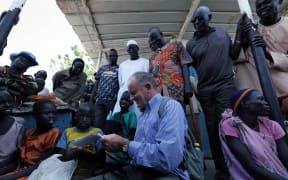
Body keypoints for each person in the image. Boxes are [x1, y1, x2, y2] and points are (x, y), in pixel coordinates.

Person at [94, 72, 188, 180]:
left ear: (147, 87)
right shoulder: (143, 116)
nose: (131, 98)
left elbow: (166, 159)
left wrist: (125, 145)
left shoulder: (170, 107)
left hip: (167, 173)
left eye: (133, 93)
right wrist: (118, 147)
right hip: (141, 169)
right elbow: (139, 150)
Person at [185, 6, 242, 179]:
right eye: (194, 21)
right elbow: (190, 66)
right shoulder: (191, 43)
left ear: (209, 17)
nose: (196, 23)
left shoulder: (222, 33)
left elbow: (234, 53)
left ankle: (235, 165)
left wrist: (239, 32)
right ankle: (220, 168)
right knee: (211, 128)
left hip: (225, 85)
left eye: (200, 19)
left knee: (226, 124)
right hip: (206, 90)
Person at [233, 0, 288, 114]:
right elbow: (236, 57)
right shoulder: (252, 29)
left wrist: (266, 53)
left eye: (266, 3)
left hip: (283, 88)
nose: (262, 7)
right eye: (259, 6)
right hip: (257, 87)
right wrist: (241, 36)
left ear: (279, 2)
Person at [220, 88, 288, 179]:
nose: (266, 103)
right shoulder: (232, 125)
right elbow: (250, 166)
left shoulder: (272, 126)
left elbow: (286, 159)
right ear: (245, 104)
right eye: (260, 99)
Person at [0, 100, 61, 179]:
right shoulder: (29, 133)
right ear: (35, 115)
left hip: (36, 172)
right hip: (21, 169)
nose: (51, 116)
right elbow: (18, 155)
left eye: (54, 113)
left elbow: (41, 164)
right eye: (47, 113)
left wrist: (10, 177)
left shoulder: (54, 133)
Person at [56, 102, 106, 179]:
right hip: (69, 173)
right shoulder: (67, 132)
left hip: (89, 172)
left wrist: (80, 153)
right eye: (81, 116)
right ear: (75, 116)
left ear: (92, 118)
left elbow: (102, 157)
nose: (84, 119)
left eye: (88, 117)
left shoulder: (97, 132)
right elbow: (61, 155)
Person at [148, 27, 193, 110]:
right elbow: (150, 77)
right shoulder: (152, 57)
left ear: (161, 34)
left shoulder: (176, 45)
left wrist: (187, 86)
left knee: (178, 118)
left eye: (155, 37)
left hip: (176, 92)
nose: (154, 41)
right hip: (159, 96)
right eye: (151, 40)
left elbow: (185, 65)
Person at [112, 40, 149, 119]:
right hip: (124, 96)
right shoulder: (122, 65)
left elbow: (148, 79)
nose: (131, 50)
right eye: (129, 49)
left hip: (139, 95)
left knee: (138, 117)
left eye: (133, 48)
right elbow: (120, 82)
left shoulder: (146, 62)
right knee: (120, 119)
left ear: (138, 48)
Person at [105, 90, 137, 165]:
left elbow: (132, 136)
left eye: (127, 100)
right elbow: (109, 132)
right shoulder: (115, 115)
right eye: (122, 99)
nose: (124, 102)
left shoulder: (131, 115)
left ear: (131, 103)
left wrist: (125, 150)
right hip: (112, 147)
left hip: (123, 149)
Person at [92, 49, 119, 128]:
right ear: (108, 57)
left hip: (112, 101)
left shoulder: (120, 69)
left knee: (109, 123)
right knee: (98, 122)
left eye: (114, 56)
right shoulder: (102, 68)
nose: (112, 57)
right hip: (100, 100)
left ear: (117, 57)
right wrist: (91, 98)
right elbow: (96, 84)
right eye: (110, 56)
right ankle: (97, 139)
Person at [0, 90, 24, 175]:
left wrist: (4, 166)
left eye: (10, 101)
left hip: (9, 165)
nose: (7, 105)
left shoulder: (19, 123)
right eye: (2, 102)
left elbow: (18, 152)